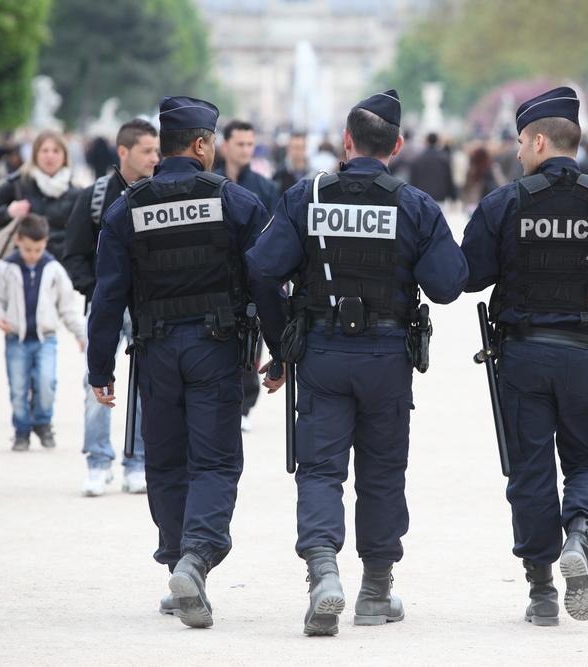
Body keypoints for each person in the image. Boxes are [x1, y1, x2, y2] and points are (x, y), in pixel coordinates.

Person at [247, 89, 469, 636]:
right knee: (382, 472)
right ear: (396, 145)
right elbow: (448, 286)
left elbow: (261, 270)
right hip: (387, 356)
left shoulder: (307, 196)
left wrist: (282, 348)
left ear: (346, 142)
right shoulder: (415, 205)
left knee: (320, 470)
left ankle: (323, 576)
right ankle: (374, 593)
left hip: (322, 352)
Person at [460, 87, 588, 626]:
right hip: (584, 357)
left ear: (540, 141)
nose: (517, 151)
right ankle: (579, 534)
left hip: (523, 357)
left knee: (528, 471)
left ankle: (541, 591)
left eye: (521, 142)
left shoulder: (505, 202)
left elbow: (469, 277)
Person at [88, 96, 280, 628]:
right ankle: (195, 561)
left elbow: (108, 297)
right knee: (215, 462)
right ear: (201, 144)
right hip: (215, 352)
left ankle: (178, 566)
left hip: (154, 351)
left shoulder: (128, 208)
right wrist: (282, 351)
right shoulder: (238, 202)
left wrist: (99, 369)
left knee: (166, 463)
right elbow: (266, 281)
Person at [65, 119, 159, 497]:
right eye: (147, 151)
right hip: (104, 304)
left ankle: (135, 462)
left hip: (147, 306)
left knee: (144, 385)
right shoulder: (94, 196)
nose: (155, 157)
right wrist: (102, 291)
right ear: (123, 152)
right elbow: (73, 254)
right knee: (95, 383)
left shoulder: (159, 194)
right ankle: (97, 462)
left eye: (157, 151)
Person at [0, 214, 86, 451]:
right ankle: (21, 431)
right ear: (18, 241)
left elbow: (67, 306)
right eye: (29, 249)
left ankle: (43, 423)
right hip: (16, 340)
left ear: (46, 243)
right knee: (18, 387)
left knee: (47, 382)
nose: (33, 254)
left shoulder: (54, 269)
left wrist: (80, 334)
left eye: (38, 249)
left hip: (46, 340)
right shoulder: (6, 268)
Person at [214, 120, 280, 431]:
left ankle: (244, 404)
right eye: (239, 144)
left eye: (249, 144)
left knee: (252, 348)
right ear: (225, 145)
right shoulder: (208, 182)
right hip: (215, 282)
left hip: (251, 280)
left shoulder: (265, 188)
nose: (245, 150)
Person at [0, 131, 79, 261]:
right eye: (45, 151)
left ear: (64, 156)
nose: (50, 156)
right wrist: (8, 212)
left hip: (62, 267)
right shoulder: (18, 184)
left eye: (56, 151)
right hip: (21, 266)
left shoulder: (76, 192)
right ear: (35, 155)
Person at [408, 132, 456, 204]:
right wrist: (453, 196)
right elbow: (448, 178)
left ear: (426, 141)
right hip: (439, 195)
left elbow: (413, 178)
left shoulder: (418, 158)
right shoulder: (443, 158)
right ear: (437, 141)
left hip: (422, 195)